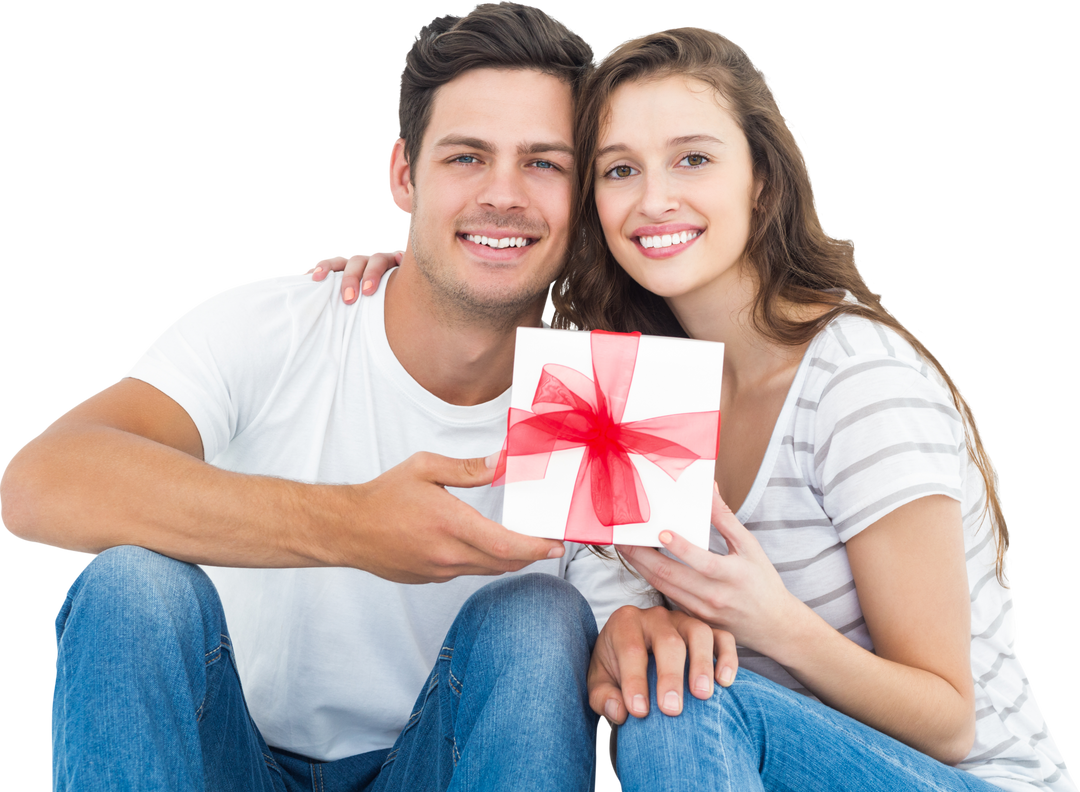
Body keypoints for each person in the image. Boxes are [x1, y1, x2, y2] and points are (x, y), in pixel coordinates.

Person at [308, 25, 1074, 792]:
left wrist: (774, 625)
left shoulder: (857, 381)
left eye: (693, 159)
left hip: (971, 780)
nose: (654, 199)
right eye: (619, 170)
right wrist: (405, 272)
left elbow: (948, 720)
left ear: (762, 180)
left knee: (687, 704)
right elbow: (595, 591)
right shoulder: (625, 382)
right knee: (663, 687)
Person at [3, 5, 744, 790]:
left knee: (540, 618)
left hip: (440, 764)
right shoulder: (279, 323)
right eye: (465, 157)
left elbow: (611, 620)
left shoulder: (608, 396)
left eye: (544, 163)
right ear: (403, 175)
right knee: (132, 586)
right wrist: (350, 525)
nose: (503, 194)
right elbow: (39, 482)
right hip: (230, 759)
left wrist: (645, 631)